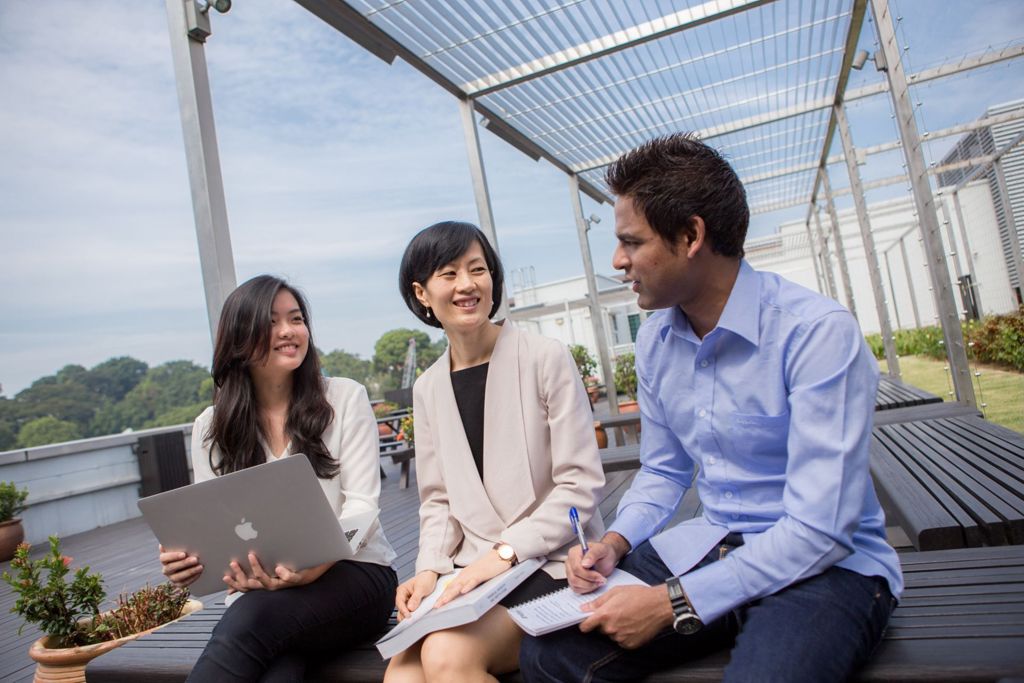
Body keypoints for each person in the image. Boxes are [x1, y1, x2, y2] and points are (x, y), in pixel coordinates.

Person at [519, 133, 904, 683]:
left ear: (691, 235)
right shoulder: (655, 341)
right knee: (548, 655)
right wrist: (613, 542)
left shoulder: (815, 334)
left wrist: (671, 602)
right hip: (710, 544)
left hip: (827, 566)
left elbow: (821, 531)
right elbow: (664, 469)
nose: (618, 260)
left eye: (632, 241)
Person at [384, 221, 606, 683]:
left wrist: (504, 553)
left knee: (446, 656)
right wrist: (427, 570)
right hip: (472, 572)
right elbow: (439, 499)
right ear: (422, 294)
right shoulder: (427, 388)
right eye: (448, 274)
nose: (467, 284)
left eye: (477, 269)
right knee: (401, 671)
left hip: (551, 561)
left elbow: (579, 485)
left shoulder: (545, 357)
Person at [158, 275, 397, 682]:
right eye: (271, 322)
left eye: (296, 319)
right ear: (239, 339)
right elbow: (212, 526)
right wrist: (189, 562)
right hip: (261, 593)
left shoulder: (343, 399)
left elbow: (362, 506)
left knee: (248, 627)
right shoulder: (210, 427)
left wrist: (314, 566)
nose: (288, 331)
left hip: (354, 576)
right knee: (277, 669)